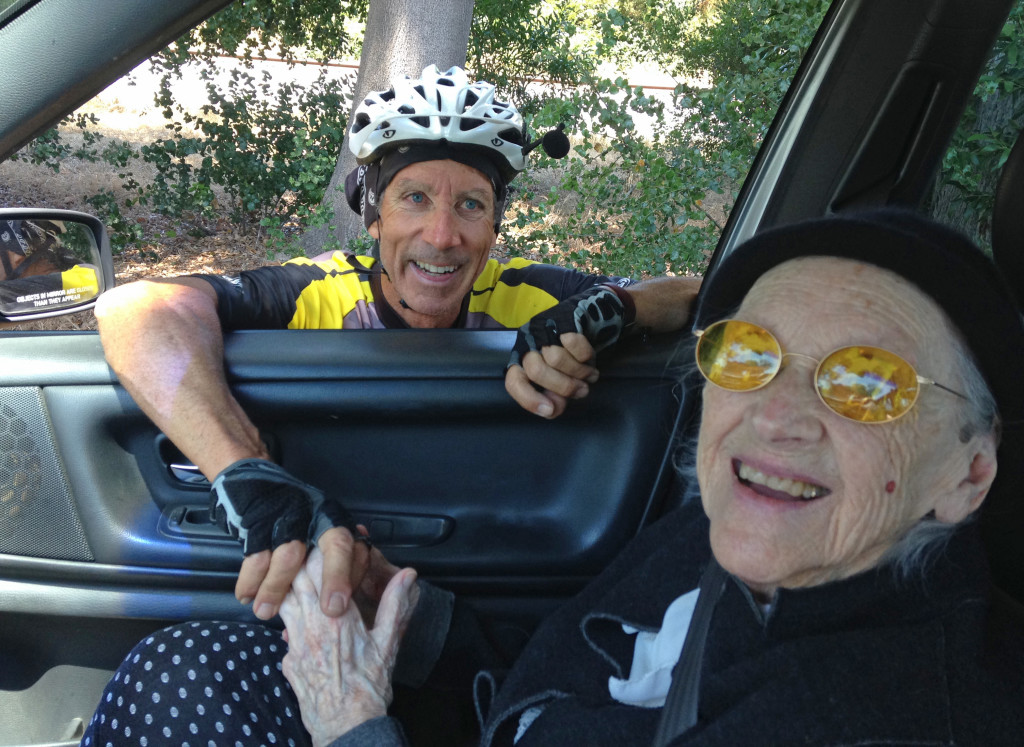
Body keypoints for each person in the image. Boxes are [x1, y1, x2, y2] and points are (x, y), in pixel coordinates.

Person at [81, 209, 1024, 746]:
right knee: (196, 661)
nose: (776, 414)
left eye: (867, 382)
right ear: (373, 216)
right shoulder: (736, 530)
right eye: (749, 352)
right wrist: (410, 626)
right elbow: (596, 659)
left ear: (968, 474)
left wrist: (353, 722)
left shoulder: (876, 715)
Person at [92, 64, 701, 626]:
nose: (442, 236)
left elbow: (700, 294)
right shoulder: (317, 291)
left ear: (494, 226)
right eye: (415, 198)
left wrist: (618, 308)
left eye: (470, 205)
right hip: (319, 600)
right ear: (373, 214)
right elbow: (136, 307)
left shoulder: (532, 294)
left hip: (494, 607)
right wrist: (242, 470)